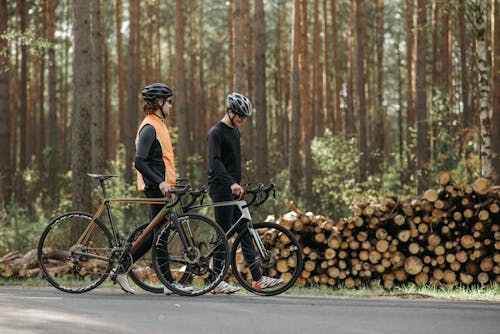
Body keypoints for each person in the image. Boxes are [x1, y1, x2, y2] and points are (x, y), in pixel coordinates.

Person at [114, 83, 192, 295]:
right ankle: (167, 283)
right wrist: (160, 182)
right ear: (158, 102)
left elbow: (161, 159)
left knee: (155, 236)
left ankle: (122, 268)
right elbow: (140, 162)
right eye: (169, 102)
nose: (171, 106)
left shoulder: (159, 124)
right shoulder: (149, 127)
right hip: (155, 188)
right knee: (160, 236)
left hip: (162, 188)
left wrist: (172, 180)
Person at [207, 92, 283, 294]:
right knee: (223, 233)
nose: (242, 121)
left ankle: (257, 279)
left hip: (233, 187)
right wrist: (231, 183)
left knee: (244, 230)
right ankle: (215, 281)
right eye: (240, 116)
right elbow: (214, 163)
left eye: (244, 117)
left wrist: (239, 184)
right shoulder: (216, 132)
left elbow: (232, 162)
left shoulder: (235, 132)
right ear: (230, 112)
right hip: (220, 188)